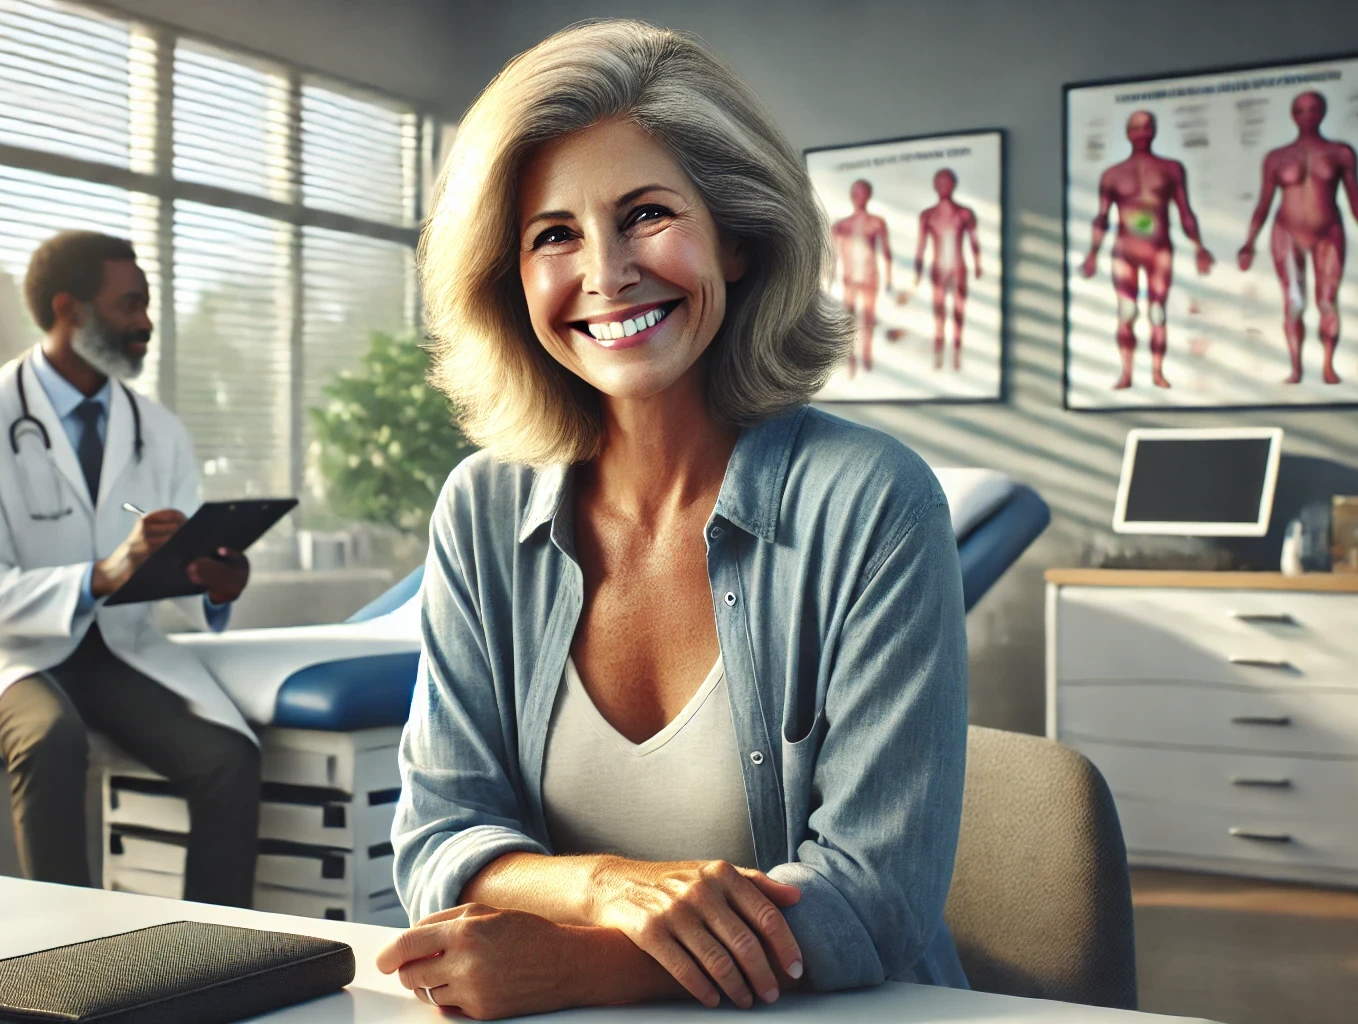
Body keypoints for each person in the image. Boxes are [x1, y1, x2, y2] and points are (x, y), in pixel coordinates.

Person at [376, 20, 968, 1020]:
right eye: (552, 233)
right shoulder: (479, 507)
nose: (604, 273)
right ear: (510, 281)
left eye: (645, 213)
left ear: (737, 235)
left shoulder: (874, 501)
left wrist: (575, 965)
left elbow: (873, 898)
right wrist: (602, 885)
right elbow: (438, 835)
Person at [0, 230, 261, 908]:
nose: (146, 323)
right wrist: (100, 574)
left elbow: (188, 556)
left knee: (229, 759)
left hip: (114, 649)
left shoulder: (156, 429)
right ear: (69, 308)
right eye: (130, 305)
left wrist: (217, 583)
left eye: (147, 304)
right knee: (51, 739)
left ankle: (214, 953)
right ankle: (66, 957)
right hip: (7, 652)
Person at [1234, 90, 1358, 385]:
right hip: (1287, 231)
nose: (1308, 116)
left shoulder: (1339, 153)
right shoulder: (1277, 157)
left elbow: (1356, 198)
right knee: (1294, 302)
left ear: (1323, 112)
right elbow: (1264, 201)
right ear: (1293, 115)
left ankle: (1328, 366)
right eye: (1301, 110)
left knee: (1328, 301)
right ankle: (1296, 368)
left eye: (1314, 109)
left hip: (1328, 231)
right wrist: (1249, 243)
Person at [1080, 110, 1214, 389]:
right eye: (1136, 128)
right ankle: (1127, 373)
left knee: (1157, 313)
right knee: (1127, 311)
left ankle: (1157, 372)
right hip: (1125, 248)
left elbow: (1185, 211)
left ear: (1154, 131)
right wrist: (1092, 253)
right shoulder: (1113, 175)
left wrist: (1199, 247)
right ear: (1128, 133)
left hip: (1158, 248)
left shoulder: (1171, 169)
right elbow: (1102, 217)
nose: (1141, 133)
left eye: (1146, 128)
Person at [912, 168, 981, 371]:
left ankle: (957, 355)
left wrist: (978, 265)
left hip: (958, 267)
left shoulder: (964, 213)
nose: (943, 186)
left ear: (954, 185)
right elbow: (921, 245)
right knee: (939, 315)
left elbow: (974, 242)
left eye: (947, 182)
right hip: (938, 268)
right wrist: (917, 270)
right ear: (935, 186)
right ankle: (939, 356)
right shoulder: (928, 215)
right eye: (939, 182)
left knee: (958, 313)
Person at [829, 179, 891, 377]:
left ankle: (867, 357)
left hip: (870, 277)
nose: (859, 197)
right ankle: (850, 359)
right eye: (856, 193)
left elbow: (886, 252)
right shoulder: (841, 226)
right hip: (849, 280)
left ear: (868, 195)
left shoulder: (877, 223)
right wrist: (828, 279)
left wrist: (889, 278)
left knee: (869, 318)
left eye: (863, 193)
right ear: (851, 195)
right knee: (849, 319)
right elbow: (832, 255)